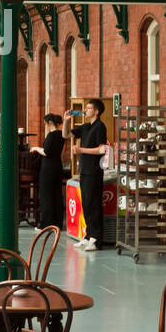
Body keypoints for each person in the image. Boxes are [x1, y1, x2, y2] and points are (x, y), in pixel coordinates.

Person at [66, 98, 107, 251]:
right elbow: (66, 135)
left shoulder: (100, 126)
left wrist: (81, 150)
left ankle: (96, 239)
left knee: (94, 204)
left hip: (94, 172)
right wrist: (66, 121)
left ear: (96, 111)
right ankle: (89, 235)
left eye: (89, 108)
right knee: (86, 204)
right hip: (84, 171)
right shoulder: (85, 127)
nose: (86, 110)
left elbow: (102, 149)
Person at [30, 113, 66, 229]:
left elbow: (46, 152)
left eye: (46, 123)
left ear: (50, 123)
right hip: (58, 166)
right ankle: (57, 223)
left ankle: (46, 224)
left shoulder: (51, 135)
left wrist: (35, 148)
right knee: (57, 195)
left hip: (48, 168)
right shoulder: (61, 135)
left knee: (47, 196)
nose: (45, 126)